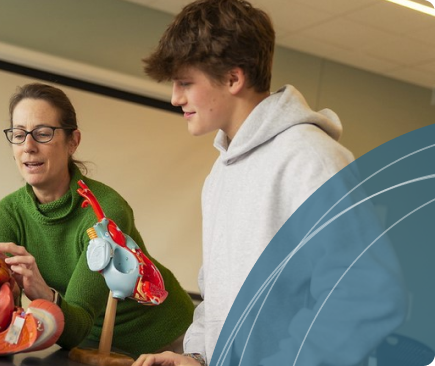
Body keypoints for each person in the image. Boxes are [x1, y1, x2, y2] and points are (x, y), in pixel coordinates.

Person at [133, 1, 407, 365]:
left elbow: (364, 295)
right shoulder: (220, 175)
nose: (174, 97)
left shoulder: (312, 159)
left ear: (233, 78)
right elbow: (220, 297)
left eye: (185, 83)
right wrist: (198, 357)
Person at [0, 82, 195, 356]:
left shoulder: (104, 212)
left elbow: (78, 323)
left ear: (73, 142)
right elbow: (3, 312)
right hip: (89, 346)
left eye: (43, 134)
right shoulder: (6, 215)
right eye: (18, 134)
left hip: (164, 341)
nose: (28, 146)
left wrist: (43, 293)